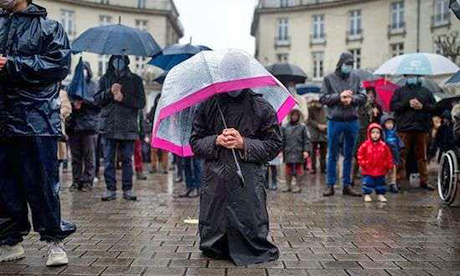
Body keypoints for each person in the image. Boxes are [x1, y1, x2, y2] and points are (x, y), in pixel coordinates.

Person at [0, 0, 76, 266]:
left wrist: (11, 64)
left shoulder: (50, 27)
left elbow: (57, 66)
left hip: (37, 119)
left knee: (42, 182)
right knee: (5, 185)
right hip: (3, 118)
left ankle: (54, 241)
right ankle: (10, 241)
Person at [190, 89, 282, 266]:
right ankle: (217, 242)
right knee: (216, 227)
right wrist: (216, 140)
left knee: (248, 222)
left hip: (247, 179)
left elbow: (274, 145)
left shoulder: (261, 106)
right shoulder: (209, 105)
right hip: (216, 180)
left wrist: (244, 143)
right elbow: (195, 142)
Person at [95, 55, 146, 201]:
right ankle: (110, 189)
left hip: (127, 126)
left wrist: (123, 98)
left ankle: (127, 189)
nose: (118, 63)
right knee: (108, 160)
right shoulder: (105, 79)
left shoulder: (135, 80)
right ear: (111, 61)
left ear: (126, 61)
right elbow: (97, 100)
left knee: (127, 160)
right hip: (109, 126)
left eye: (121, 60)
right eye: (115, 59)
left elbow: (141, 102)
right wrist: (109, 92)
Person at [320, 52, 367, 197]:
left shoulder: (356, 78)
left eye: (352, 64)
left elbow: (363, 96)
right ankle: (330, 185)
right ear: (341, 64)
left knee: (350, 154)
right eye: (347, 64)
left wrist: (352, 99)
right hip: (335, 120)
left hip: (352, 120)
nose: (350, 67)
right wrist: (339, 97)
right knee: (332, 154)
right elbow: (322, 98)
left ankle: (347, 184)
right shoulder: (328, 78)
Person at [390, 75, 436, 191]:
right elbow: (393, 106)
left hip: (422, 128)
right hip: (404, 128)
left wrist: (422, 106)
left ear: (418, 77)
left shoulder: (426, 92)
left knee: (422, 156)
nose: (412, 78)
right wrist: (407, 103)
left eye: (414, 76)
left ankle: (424, 181)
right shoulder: (400, 91)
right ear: (406, 77)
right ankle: (398, 180)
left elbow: (434, 107)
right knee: (401, 155)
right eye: (410, 76)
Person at [66, 62, 100, 192]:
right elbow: (67, 100)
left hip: (89, 127)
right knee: (75, 157)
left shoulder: (94, 86)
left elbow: (97, 103)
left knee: (89, 156)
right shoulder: (72, 85)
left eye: (85, 69)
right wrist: (73, 103)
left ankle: (88, 181)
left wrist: (84, 101)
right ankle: (76, 181)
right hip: (74, 127)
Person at [357, 123, 394, 202]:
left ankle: (380, 194)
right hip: (368, 169)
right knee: (367, 183)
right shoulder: (365, 145)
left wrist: (388, 165)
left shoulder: (383, 145)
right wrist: (363, 163)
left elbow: (388, 156)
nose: (375, 135)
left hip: (380, 169)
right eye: (373, 132)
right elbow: (360, 154)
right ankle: (367, 194)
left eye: (377, 133)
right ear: (369, 133)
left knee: (380, 183)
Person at [282, 109, 311, 193]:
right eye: (293, 115)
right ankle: (288, 186)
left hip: (299, 151)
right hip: (288, 150)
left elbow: (307, 140)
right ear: (290, 116)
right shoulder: (284, 127)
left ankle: (298, 186)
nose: (294, 117)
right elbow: (282, 139)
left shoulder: (303, 127)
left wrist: (306, 150)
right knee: (288, 168)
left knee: (299, 168)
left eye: (296, 115)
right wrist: (280, 150)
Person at [381, 114, 404, 193]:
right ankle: (384, 182)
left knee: (393, 169)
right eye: (387, 123)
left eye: (391, 123)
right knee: (385, 169)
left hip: (394, 154)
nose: (390, 125)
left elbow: (399, 142)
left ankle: (393, 183)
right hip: (385, 155)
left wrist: (401, 147)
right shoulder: (383, 134)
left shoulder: (395, 133)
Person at [147, 93, 169, 174]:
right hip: (157, 131)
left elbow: (148, 117)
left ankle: (163, 167)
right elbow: (149, 117)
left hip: (163, 131)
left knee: (163, 151)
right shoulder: (155, 108)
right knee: (155, 150)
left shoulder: (165, 108)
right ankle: (156, 167)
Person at [307, 96, 327, 174]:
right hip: (314, 132)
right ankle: (313, 168)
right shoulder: (310, 109)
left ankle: (323, 168)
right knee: (313, 151)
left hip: (324, 132)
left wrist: (325, 126)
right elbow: (309, 120)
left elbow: (329, 118)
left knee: (323, 152)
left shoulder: (326, 108)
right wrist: (317, 125)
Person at [134, 111, 147, 180]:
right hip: (127, 131)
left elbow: (141, 121)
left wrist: (142, 133)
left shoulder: (139, 110)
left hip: (136, 133)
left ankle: (139, 171)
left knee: (138, 153)